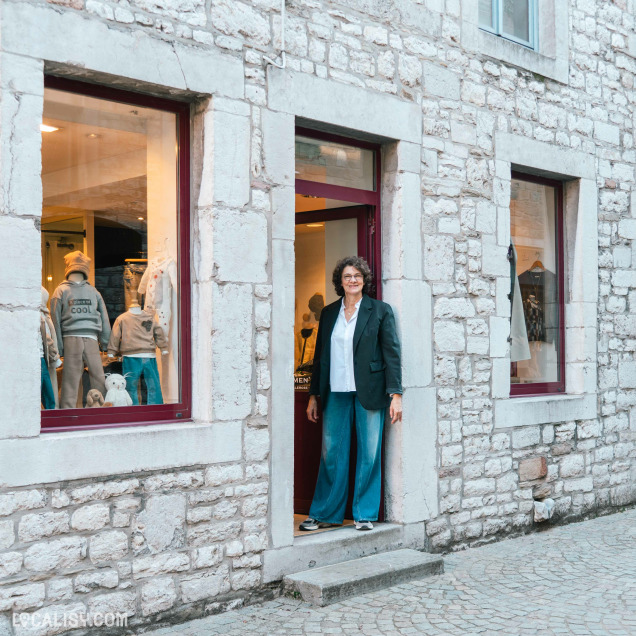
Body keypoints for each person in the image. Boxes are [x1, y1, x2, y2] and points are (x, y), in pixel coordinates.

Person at [300, 256, 402, 532]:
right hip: (335, 392)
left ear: (364, 280)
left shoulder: (380, 310)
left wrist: (396, 394)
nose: (353, 280)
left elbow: (392, 354)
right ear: (340, 281)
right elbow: (320, 357)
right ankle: (325, 512)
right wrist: (313, 395)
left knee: (369, 453)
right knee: (331, 452)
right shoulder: (330, 312)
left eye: (357, 275)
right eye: (347, 276)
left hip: (369, 391)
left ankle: (364, 514)